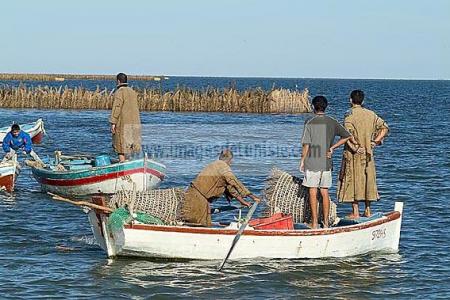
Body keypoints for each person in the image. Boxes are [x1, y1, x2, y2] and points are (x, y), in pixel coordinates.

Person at [300, 96, 354, 229]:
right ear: (326, 107)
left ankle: (314, 223)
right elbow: (347, 136)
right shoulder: (332, 121)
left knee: (312, 191)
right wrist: (332, 147)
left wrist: (302, 160)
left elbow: (306, 144)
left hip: (312, 160)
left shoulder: (310, 122)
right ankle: (325, 222)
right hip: (326, 162)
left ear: (313, 107)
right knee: (324, 192)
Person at [337, 90, 389, 218]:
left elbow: (347, 135)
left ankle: (355, 211)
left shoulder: (349, 116)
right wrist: (375, 142)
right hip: (368, 153)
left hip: (353, 154)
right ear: (363, 101)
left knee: (352, 180)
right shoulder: (371, 114)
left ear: (350, 100)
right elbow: (385, 128)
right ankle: (368, 210)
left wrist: (354, 148)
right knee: (368, 179)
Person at [182, 149, 260, 227]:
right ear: (230, 160)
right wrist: (252, 196)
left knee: (202, 222)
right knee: (199, 223)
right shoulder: (224, 168)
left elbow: (230, 189)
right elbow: (235, 183)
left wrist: (242, 201)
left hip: (193, 194)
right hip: (198, 197)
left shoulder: (214, 165)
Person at [109, 73, 141, 162]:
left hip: (123, 123)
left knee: (120, 146)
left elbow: (117, 108)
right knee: (130, 145)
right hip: (134, 123)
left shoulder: (120, 92)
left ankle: (123, 164)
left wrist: (113, 123)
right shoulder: (132, 92)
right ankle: (130, 164)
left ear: (118, 81)